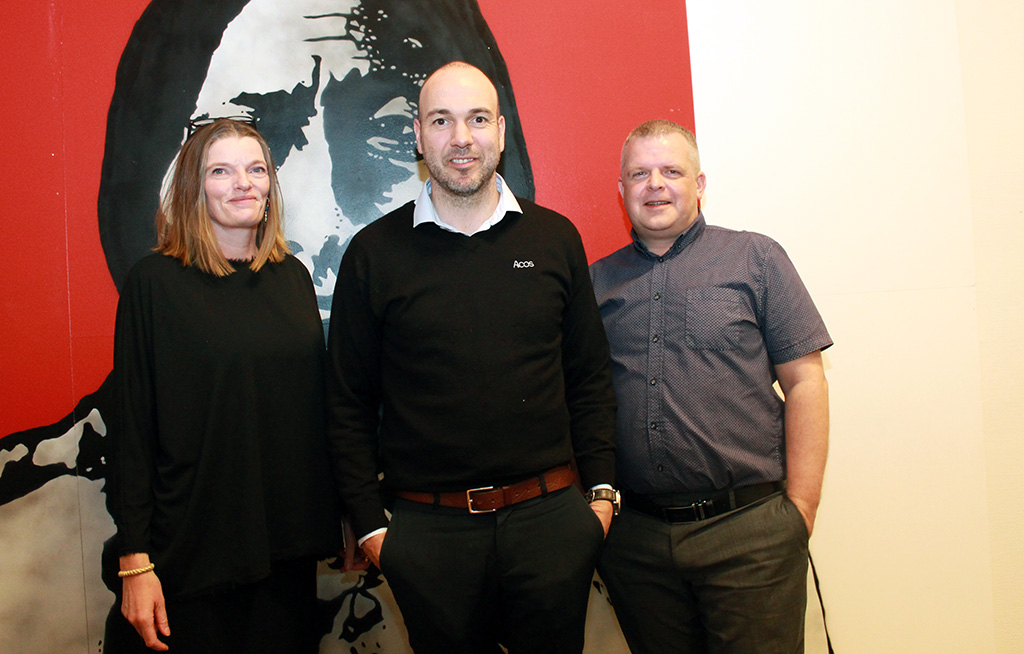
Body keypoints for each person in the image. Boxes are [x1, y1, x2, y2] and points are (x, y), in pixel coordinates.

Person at [327, 61, 619, 654]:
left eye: (477, 119)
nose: (461, 139)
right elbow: (346, 402)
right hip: (427, 537)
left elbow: (588, 378)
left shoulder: (554, 239)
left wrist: (602, 499)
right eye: (442, 120)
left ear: (501, 132)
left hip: (551, 525)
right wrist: (376, 530)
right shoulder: (373, 253)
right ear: (418, 134)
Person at [590, 120, 832, 653]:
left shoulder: (756, 258)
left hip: (749, 532)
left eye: (671, 171)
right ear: (622, 189)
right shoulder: (595, 283)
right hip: (637, 541)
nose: (655, 184)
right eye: (639, 173)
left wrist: (800, 510)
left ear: (699, 184)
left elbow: (806, 381)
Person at [103, 118, 343, 653]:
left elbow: (312, 414)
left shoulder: (293, 278)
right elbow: (133, 432)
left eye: (256, 169)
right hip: (192, 555)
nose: (243, 183)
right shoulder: (154, 283)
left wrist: (344, 512)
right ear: (194, 186)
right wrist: (134, 562)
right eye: (221, 170)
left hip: (286, 553)